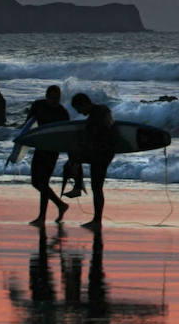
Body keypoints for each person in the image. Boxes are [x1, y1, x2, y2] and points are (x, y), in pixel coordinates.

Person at [24, 85, 72, 226]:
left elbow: (67, 135)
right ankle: (60, 205)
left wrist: (72, 158)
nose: (55, 101)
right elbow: (28, 124)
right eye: (52, 98)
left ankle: (42, 217)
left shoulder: (62, 112)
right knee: (35, 182)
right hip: (40, 147)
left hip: (52, 150)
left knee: (43, 183)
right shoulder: (38, 105)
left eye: (57, 98)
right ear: (47, 96)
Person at [71, 92, 118, 230]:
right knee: (73, 156)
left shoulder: (97, 115)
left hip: (101, 153)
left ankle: (97, 220)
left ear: (84, 104)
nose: (79, 112)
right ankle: (78, 187)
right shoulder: (102, 110)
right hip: (103, 152)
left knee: (97, 187)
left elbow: (100, 133)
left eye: (79, 109)